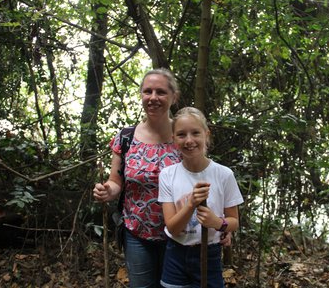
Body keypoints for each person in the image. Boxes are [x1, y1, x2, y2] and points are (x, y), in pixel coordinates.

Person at [93, 68, 182, 288]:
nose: (153, 98)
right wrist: (108, 191)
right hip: (137, 232)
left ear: (174, 97)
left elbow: (202, 176)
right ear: (141, 95)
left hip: (180, 234)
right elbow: (116, 182)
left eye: (160, 92)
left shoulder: (184, 135)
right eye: (147, 91)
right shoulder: (126, 137)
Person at [158, 107, 244, 288]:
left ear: (206, 134)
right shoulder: (167, 175)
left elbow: (234, 221)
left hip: (209, 254)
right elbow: (172, 228)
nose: (189, 140)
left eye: (195, 133)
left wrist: (218, 222)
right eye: (181, 134)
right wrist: (191, 205)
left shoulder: (224, 174)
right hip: (176, 254)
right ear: (173, 139)